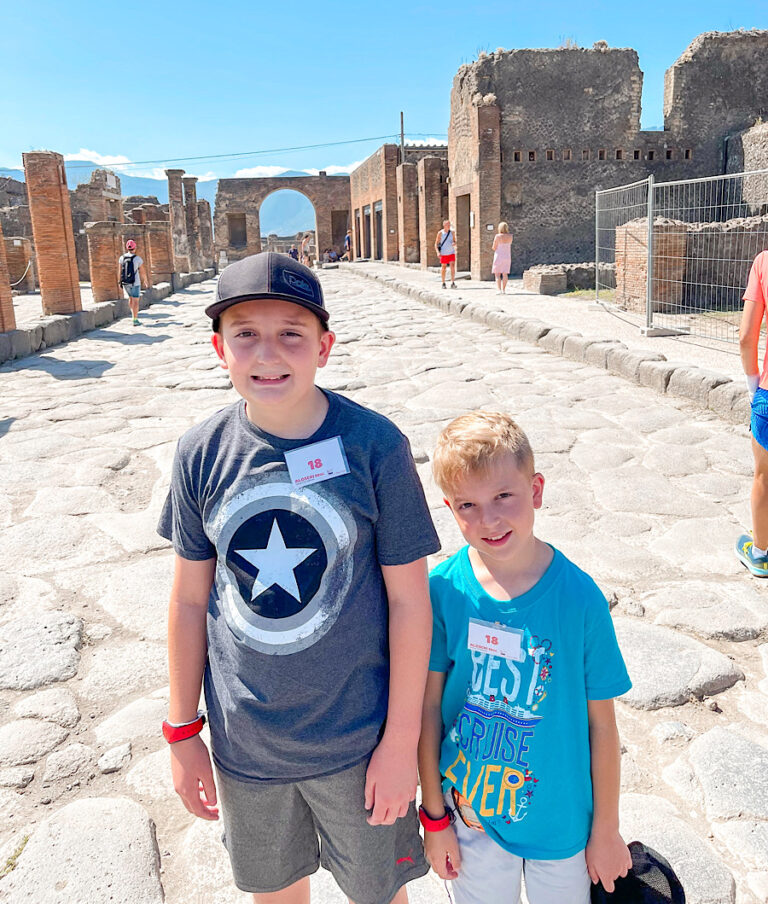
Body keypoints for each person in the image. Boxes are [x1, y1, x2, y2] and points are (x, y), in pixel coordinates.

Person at [157, 251, 440, 904]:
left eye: (291, 333)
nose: (268, 352)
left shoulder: (375, 446)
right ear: (218, 349)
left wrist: (400, 744)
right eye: (245, 334)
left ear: (325, 346)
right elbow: (188, 599)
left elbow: (408, 602)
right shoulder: (201, 453)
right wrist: (181, 732)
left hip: (358, 743)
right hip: (247, 747)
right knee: (276, 894)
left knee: (380, 893)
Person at [418, 411, 632, 904]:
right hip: (472, 817)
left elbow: (603, 725)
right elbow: (427, 709)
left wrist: (606, 829)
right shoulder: (443, 591)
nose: (488, 519)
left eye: (503, 497)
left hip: (562, 822)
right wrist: (434, 816)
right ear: (450, 509)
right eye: (468, 505)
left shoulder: (581, 600)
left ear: (535, 491)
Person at [736, 249, 768, 577]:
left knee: (764, 476)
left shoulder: (763, 263)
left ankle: (760, 553)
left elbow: (747, 337)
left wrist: (752, 387)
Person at [117, 238, 146, 325]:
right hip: (135, 282)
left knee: (130, 298)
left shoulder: (122, 258)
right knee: (136, 300)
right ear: (135, 248)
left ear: (127, 248)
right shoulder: (138, 259)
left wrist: (119, 282)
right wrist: (145, 280)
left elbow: (119, 271)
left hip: (126, 282)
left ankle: (132, 315)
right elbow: (142, 271)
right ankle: (135, 319)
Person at [491, 222, 514, 294]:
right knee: (505, 273)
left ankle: (499, 290)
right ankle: (504, 290)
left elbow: (494, 247)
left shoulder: (498, 236)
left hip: (499, 256)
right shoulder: (510, 236)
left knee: (497, 274)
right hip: (507, 256)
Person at [435, 220, 457, 289]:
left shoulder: (452, 232)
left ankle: (452, 282)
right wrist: (438, 252)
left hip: (451, 252)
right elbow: (436, 244)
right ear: (444, 225)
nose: (448, 226)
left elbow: (454, 241)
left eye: (449, 225)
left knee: (452, 267)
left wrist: (454, 243)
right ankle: (443, 282)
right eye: (447, 225)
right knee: (443, 267)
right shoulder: (440, 233)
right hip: (443, 253)